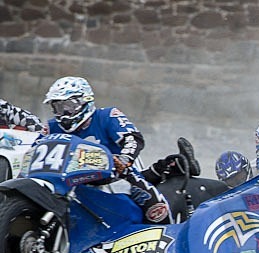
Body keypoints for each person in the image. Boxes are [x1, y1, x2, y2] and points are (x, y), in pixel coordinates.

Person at [42, 76, 185, 224]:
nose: (64, 113)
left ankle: (168, 235)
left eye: (69, 106)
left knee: (154, 206)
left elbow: (133, 138)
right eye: (58, 107)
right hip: (68, 182)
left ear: (85, 101)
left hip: (115, 177)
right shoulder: (51, 127)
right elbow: (35, 148)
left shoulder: (107, 116)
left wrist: (124, 159)